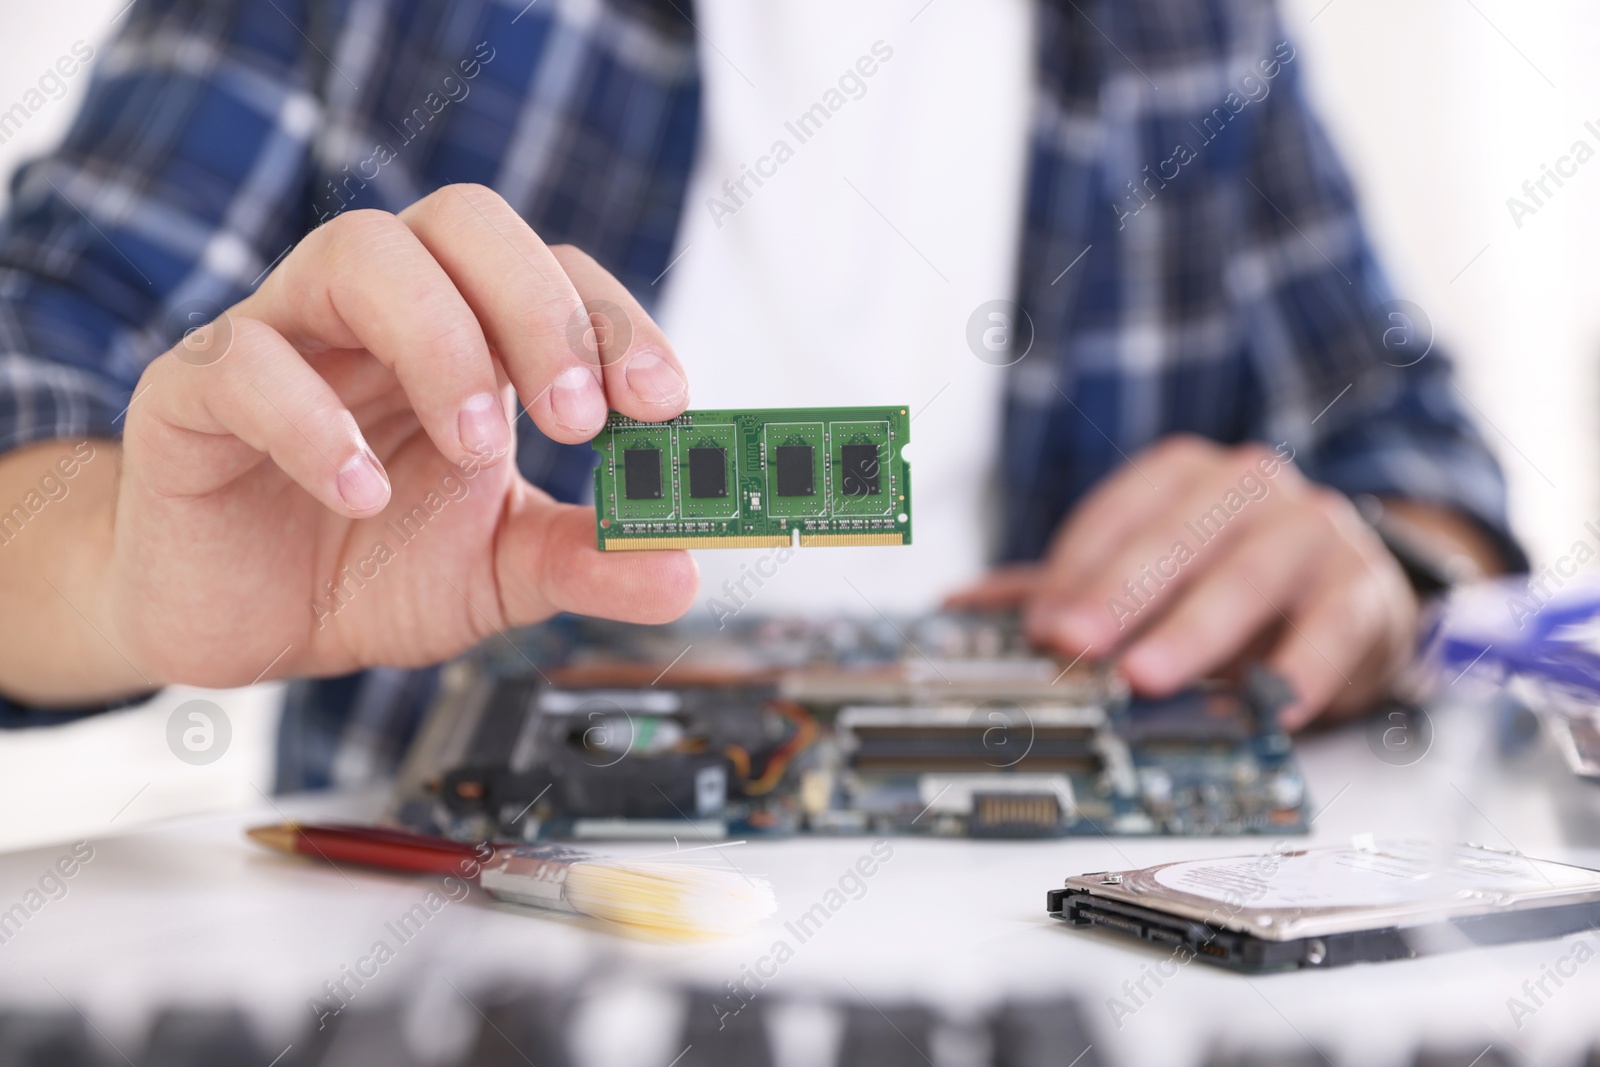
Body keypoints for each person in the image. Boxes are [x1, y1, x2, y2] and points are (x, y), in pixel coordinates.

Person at [0, 0, 1519, 789]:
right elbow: (32, 364)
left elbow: (1416, 445)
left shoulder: (1195, 30)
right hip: (481, 979)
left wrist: (1376, 556)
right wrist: (123, 569)